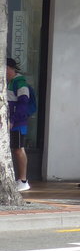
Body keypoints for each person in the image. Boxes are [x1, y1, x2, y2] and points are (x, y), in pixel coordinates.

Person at [7, 57, 33, 192]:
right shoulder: (8, 82)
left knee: (18, 149)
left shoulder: (20, 82)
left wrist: (13, 120)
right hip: (9, 122)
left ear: (9, 68)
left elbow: (23, 104)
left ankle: (23, 180)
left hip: (17, 122)